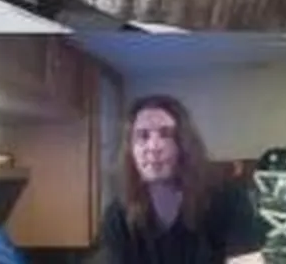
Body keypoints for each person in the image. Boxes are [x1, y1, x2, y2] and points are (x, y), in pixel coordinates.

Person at [99, 94, 266, 263]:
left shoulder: (229, 200)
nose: (154, 147)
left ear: (184, 143)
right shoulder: (118, 216)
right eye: (143, 136)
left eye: (166, 134)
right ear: (131, 151)